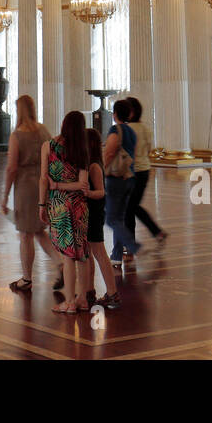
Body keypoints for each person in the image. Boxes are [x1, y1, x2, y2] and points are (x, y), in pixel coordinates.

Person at [1, 95, 60, 294]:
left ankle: (26, 278)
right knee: (39, 229)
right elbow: (55, 154)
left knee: (26, 234)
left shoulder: (17, 135)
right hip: (44, 183)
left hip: (25, 186)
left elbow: (11, 168)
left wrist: (5, 195)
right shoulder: (43, 130)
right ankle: (60, 264)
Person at [43, 111, 90, 314]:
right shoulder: (82, 149)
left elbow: (43, 179)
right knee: (82, 255)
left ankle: (69, 301)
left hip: (59, 205)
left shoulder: (49, 146)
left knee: (67, 256)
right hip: (79, 206)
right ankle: (83, 298)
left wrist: (43, 201)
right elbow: (82, 184)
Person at [123, 95, 165, 261]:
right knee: (133, 207)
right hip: (145, 171)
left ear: (131, 112)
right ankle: (156, 232)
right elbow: (148, 150)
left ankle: (131, 246)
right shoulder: (146, 129)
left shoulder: (126, 129)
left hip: (131, 172)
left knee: (129, 209)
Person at [82, 126, 120, 308]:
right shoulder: (91, 163)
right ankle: (89, 290)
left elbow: (100, 192)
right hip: (90, 212)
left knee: (99, 252)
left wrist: (86, 193)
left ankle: (112, 293)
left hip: (94, 213)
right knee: (89, 252)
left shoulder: (95, 166)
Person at [103, 99, 140, 267]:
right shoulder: (132, 132)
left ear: (115, 114)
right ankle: (116, 255)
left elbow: (110, 151)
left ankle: (133, 245)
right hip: (129, 177)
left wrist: (101, 169)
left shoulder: (115, 129)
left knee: (111, 219)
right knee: (120, 218)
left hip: (116, 179)